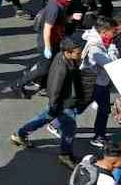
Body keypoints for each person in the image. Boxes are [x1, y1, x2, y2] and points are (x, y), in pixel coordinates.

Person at [13, 35, 87, 168]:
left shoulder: (64, 57)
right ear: (67, 52)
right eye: (78, 53)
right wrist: (54, 106)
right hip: (64, 103)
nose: (80, 55)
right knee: (69, 129)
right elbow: (54, 89)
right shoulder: (61, 69)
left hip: (63, 102)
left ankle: (20, 134)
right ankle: (65, 155)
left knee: (44, 118)